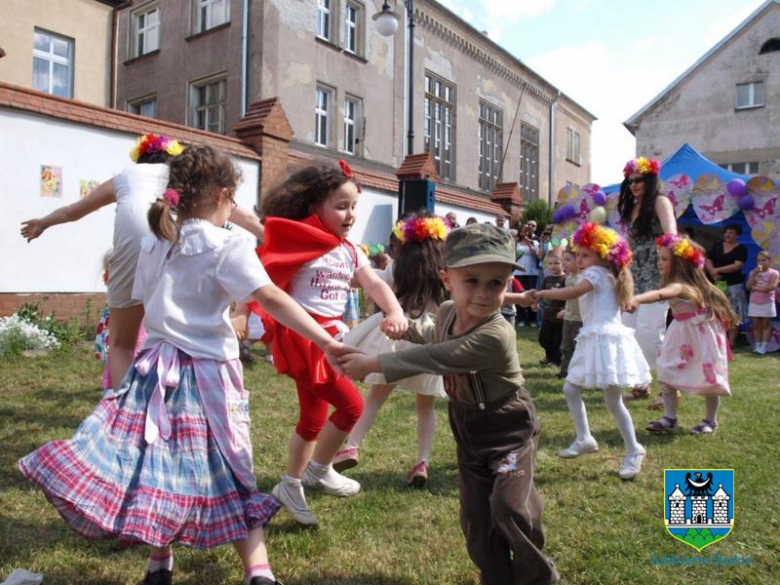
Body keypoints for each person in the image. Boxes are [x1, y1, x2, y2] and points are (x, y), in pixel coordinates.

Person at [19, 145, 355, 585]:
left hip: (152, 374)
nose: (235, 207)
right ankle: (259, 572)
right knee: (233, 467)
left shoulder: (154, 241)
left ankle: (160, 563)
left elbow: (141, 302)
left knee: (161, 467)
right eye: (233, 198)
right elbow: (270, 296)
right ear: (220, 196)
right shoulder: (229, 244)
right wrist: (326, 340)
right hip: (210, 377)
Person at [339, 224, 558, 585]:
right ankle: (497, 577)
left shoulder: (496, 333)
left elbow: (441, 354)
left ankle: (537, 577)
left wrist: (374, 364)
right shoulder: (445, 312)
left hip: (507, 428)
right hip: (469, 427)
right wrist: (404, 327)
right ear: (446, 279)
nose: (485, 294)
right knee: (475, 519)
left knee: (510, 507)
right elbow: (432, 334)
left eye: (496, 283)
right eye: (472, 281)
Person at [20, 133, 265, 390]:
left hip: (131, 251)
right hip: (172, 243)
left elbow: (73, 211)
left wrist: (43, 223)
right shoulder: (185, 179)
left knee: (121, 344)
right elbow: (248, 219)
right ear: (175, 159)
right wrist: (286, 244)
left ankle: (125, 412)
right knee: (176, 336)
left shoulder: (125, 177)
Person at [257, 160, 407, 526]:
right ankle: (311, 472)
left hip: (331, 338)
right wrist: (247, 315)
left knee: (313, 416)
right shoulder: (299, 243)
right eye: (341, 206)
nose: (351, 214)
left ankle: (303, 477)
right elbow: (265, 278)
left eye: (354, 206)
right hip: (304, 338)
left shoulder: (349, 251)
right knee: (352, 406)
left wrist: (394, 309)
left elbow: (374, 284)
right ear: (314, 208)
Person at [334, 213, 449, 488]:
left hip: (395, 335)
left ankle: (353, 445)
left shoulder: (398, 266)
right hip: (429, 341)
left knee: (375, 397)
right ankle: (422, 462)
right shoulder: (446, 269)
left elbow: (370, 282)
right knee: (425, 406)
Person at [533, 223, 649, 480]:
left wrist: (542, 293)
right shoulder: (607, 274)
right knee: (578, 390)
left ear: (603, 254)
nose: (580, 260)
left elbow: (574, 291)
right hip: (598, 338)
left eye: (585, 255)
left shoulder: (597, 272)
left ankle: (632, 449)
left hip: (602, 339)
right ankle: (586, 438)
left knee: (608, 399)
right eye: (579, 255)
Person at [626, 235, 738, 435]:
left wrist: (637, 299)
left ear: (680, 264)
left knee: (709, 378)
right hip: (679, 332)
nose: (659, 263)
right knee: (666, 369)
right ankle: (669, 417)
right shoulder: (674, 282)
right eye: (659, 258)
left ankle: (710, 420)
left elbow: (661, 295)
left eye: (664, 259)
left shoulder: (681, 286)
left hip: (700, 336)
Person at [617, 157, 676, 404]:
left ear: (650, 180)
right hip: (633, 280)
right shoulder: (633, 208)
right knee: (628, 332)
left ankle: (668, 389)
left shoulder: (660, 202)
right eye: (630, 181)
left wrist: (669, 271)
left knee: (651, 334)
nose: (633, 185)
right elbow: (629, 244)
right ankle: (641, 385)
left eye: (639, 180)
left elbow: (672, 235)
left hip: (656, 278)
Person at [706, 224, 748, 347]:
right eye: (726, 232)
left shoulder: (741, 248)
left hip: (734, 284)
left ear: (737, 235)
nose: (728, 235)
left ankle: (731, 341)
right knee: (718, 311)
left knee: (733, 312)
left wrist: (717, 269)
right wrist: (713, 272)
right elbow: (708, 260)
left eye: (731, 233)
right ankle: (719, 339)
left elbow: (737, 265)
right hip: (718, 283)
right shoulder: (717, 246)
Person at [747, 250, 779, 354]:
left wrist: (755, 288)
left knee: (765, 324)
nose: (761, 263)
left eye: (763, 260)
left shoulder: (774, 273)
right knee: (756, 325)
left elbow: (771, 287)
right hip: (754, 302)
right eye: (758, 260)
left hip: (767, 302)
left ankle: (764, 347)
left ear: (769, 261)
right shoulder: (753, 272)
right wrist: (754, 274)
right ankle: (757, 346)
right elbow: (748, 287)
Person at [558, 247, 582, 379]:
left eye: (568, 260)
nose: (565, 263)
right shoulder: (569, 278)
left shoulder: (582, 278)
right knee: (566, 346)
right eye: (563, 260)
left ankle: (578, 373)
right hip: (569, 317)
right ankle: (566, 370)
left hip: (580, 319)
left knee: (578, 347)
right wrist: (565, 310)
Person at [538, 253, 566, 367]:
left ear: (563, 264)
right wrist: (536, 303)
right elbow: (541, 293)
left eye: (556, 263)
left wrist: (565, 310)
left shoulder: (566, 279)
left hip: (560, 316)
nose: (553, 266)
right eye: (550, 263)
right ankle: (548, 356)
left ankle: (555, 360)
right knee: (544, 338)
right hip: (547, 314)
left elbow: (570, 297)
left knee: (557, 340)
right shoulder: (547, 279)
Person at [515, 223, 540, 327]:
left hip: (532, 272)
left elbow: (537, 256)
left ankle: (532, 319)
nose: (524, 233)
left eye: (526, 231)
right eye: (522, 231)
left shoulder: (534, 242)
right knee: (520, 294)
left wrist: (530, 245)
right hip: (519, 272)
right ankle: (521, 318)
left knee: (532, 295)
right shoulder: (516, 243)